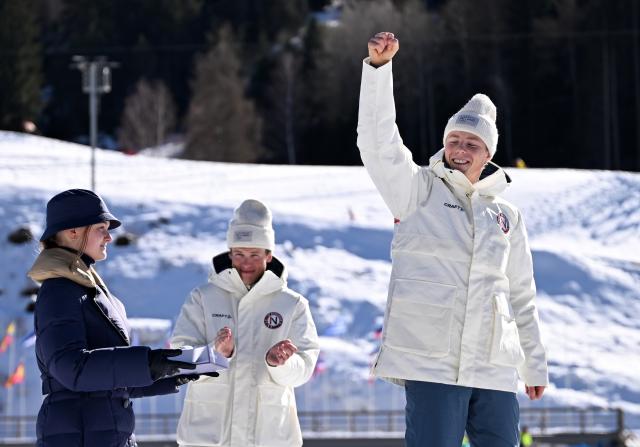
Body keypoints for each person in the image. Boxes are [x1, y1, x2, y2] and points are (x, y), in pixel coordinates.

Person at [358, 32, 549, 447]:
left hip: (494, 366)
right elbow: (377, 145)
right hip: (432, 364)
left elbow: (521, 296)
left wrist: (533, 365)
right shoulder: (416, 191)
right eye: (454, 141)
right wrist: (378, 70)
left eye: (471, 144)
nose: (460, 150)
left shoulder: (506, 216)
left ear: (488, 153)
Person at [28, 189, 202, 447]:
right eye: (101, 228)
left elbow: (110, 382)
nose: (109, 237)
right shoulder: (60, 290)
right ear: (73, 231)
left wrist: (168, 371)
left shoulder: (84, 287)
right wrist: (147, 363)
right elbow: (71, 368)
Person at [170, 199, 320, 447]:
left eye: (254, 255)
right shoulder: (203, 298)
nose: (246, 263)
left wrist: (280, 363)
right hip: (208, 435)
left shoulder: (292, 304)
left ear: (268, 256)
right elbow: (179, 361)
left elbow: (303, 368)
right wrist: (216, 354)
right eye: (239, 254)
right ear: (230, 254)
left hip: (268, 436)